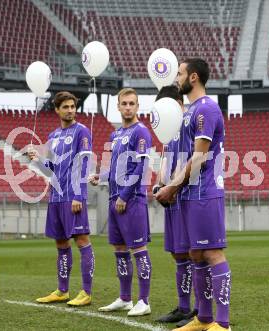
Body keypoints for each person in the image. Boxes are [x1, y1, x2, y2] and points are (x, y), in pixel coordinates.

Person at [155, 58, 231, 331]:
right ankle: (204, 318)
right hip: (189, 194)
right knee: (196, 255)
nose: (176, 78)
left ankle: (222, 323)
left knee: (212, 254)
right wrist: (171, 185)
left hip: (206, 192)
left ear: (194, 77)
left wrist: (172, 186)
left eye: (180, 73)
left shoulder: (207, 109)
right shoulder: (188, 112)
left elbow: (199, 156)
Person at [28, 91, 95, 307]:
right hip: (56, 196)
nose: (70, 110)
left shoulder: (82, 132)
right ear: (57, 110)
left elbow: (84, 164)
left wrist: (79, 195)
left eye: (72, 106)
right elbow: (52, 169)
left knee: (82, 240)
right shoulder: (53, 137)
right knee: (60, 243)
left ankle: (86, 292)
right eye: (65, 107)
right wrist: (38, 160)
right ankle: (62, 290)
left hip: (73, 196)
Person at [90, 88, 153, 316]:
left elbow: (141, 167)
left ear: (137, 107)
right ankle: (125, 298)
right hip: (113, 199)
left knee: (138, 249)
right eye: (124, 103)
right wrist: (101, 176)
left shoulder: (142, 132)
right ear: (118, 106)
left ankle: (144, 300)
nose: (128, 107)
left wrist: (125, 196)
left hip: (132, 200)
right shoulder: (114, 136)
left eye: (132, 103)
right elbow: (112, 167)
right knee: (119, 249)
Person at [153, 86, 199, 326]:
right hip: (172, 197)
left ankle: (200, 310)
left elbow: (196, 160)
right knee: (178, 252)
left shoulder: (190, 125)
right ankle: (183, 307)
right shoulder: (168, 130)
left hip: (187, 194)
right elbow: (165, 159)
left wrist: (172, 186)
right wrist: (160, 185)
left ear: (180, 104)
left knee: (195, 253)